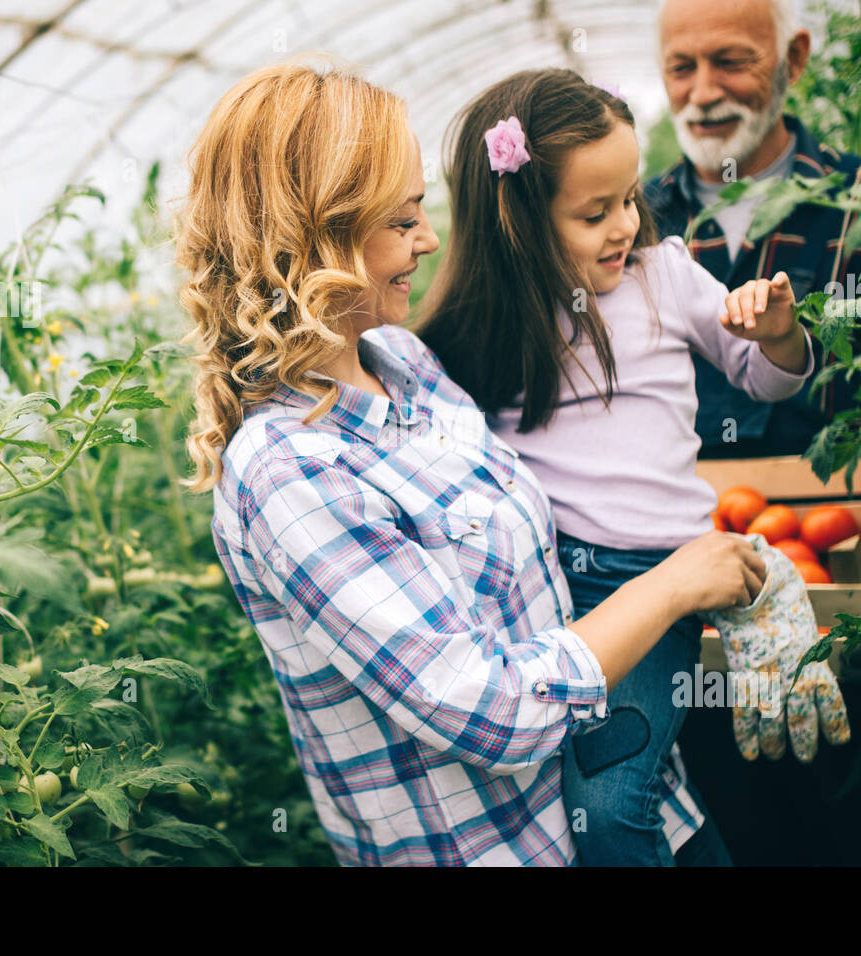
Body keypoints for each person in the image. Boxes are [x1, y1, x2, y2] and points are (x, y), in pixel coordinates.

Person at [174, 60, 770, 866]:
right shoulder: (292, 475)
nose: (428, 239)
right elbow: (490, 710)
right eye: (403, 219)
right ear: (320, 239)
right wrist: (670, 585)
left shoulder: (404, 361)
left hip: (647, 811)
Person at [414, 68, 848, 866]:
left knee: (612, 812)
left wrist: (778, 332)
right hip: (542, 600)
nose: (624, 226)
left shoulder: (665, 278)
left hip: (654, 589)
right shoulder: (480, 328)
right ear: (518, 223)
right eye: (593, 212)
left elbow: (762, 375)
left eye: (629, 200)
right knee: (635, 813)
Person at [647, 0, 861, 459]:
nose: (704, 92)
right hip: (674, 527)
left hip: (848, 523)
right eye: (681, 68)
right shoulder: (635, 226)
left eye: (731, 62)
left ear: (793, 59)